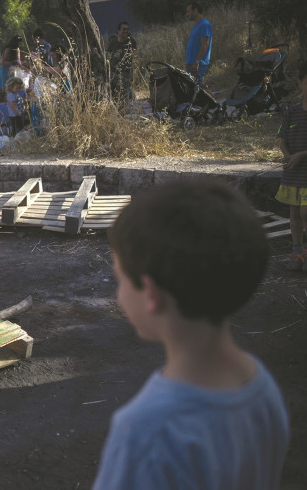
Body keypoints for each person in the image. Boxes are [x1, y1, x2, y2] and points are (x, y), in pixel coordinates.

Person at [92, 179, 290, 490]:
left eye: (120, 280)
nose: (118, 294)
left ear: (151, 295)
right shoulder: (262, 388)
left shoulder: (147, 431)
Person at [276, 62, 307, 272]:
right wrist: (288, 156)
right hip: (293, 171)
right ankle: (297, 253)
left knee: (306, 212)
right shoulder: (291, 112)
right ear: (299, 84)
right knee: (294, 213)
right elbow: (282, 139)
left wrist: (301, 155)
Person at [107, 21, 138, 104]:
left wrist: (133, 72)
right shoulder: (113, 41)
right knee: (110, 92)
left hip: (125, 72)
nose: (126, 31)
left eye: (127, 29)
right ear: (118, 30)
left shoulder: (131, 42)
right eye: (123, 29)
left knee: (121, 96)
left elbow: (134, 58)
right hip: (112, 71)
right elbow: (108, 55)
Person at [185, 1, 212, 85]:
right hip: (191, 62)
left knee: (197, 89)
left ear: (195, 10)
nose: (187, 14)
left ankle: (211, 98)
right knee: (193, 88)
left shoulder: (204, 24)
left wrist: (197, 62)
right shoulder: (196, 25)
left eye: (189, 11)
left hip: (198, 64)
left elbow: (205, 44)